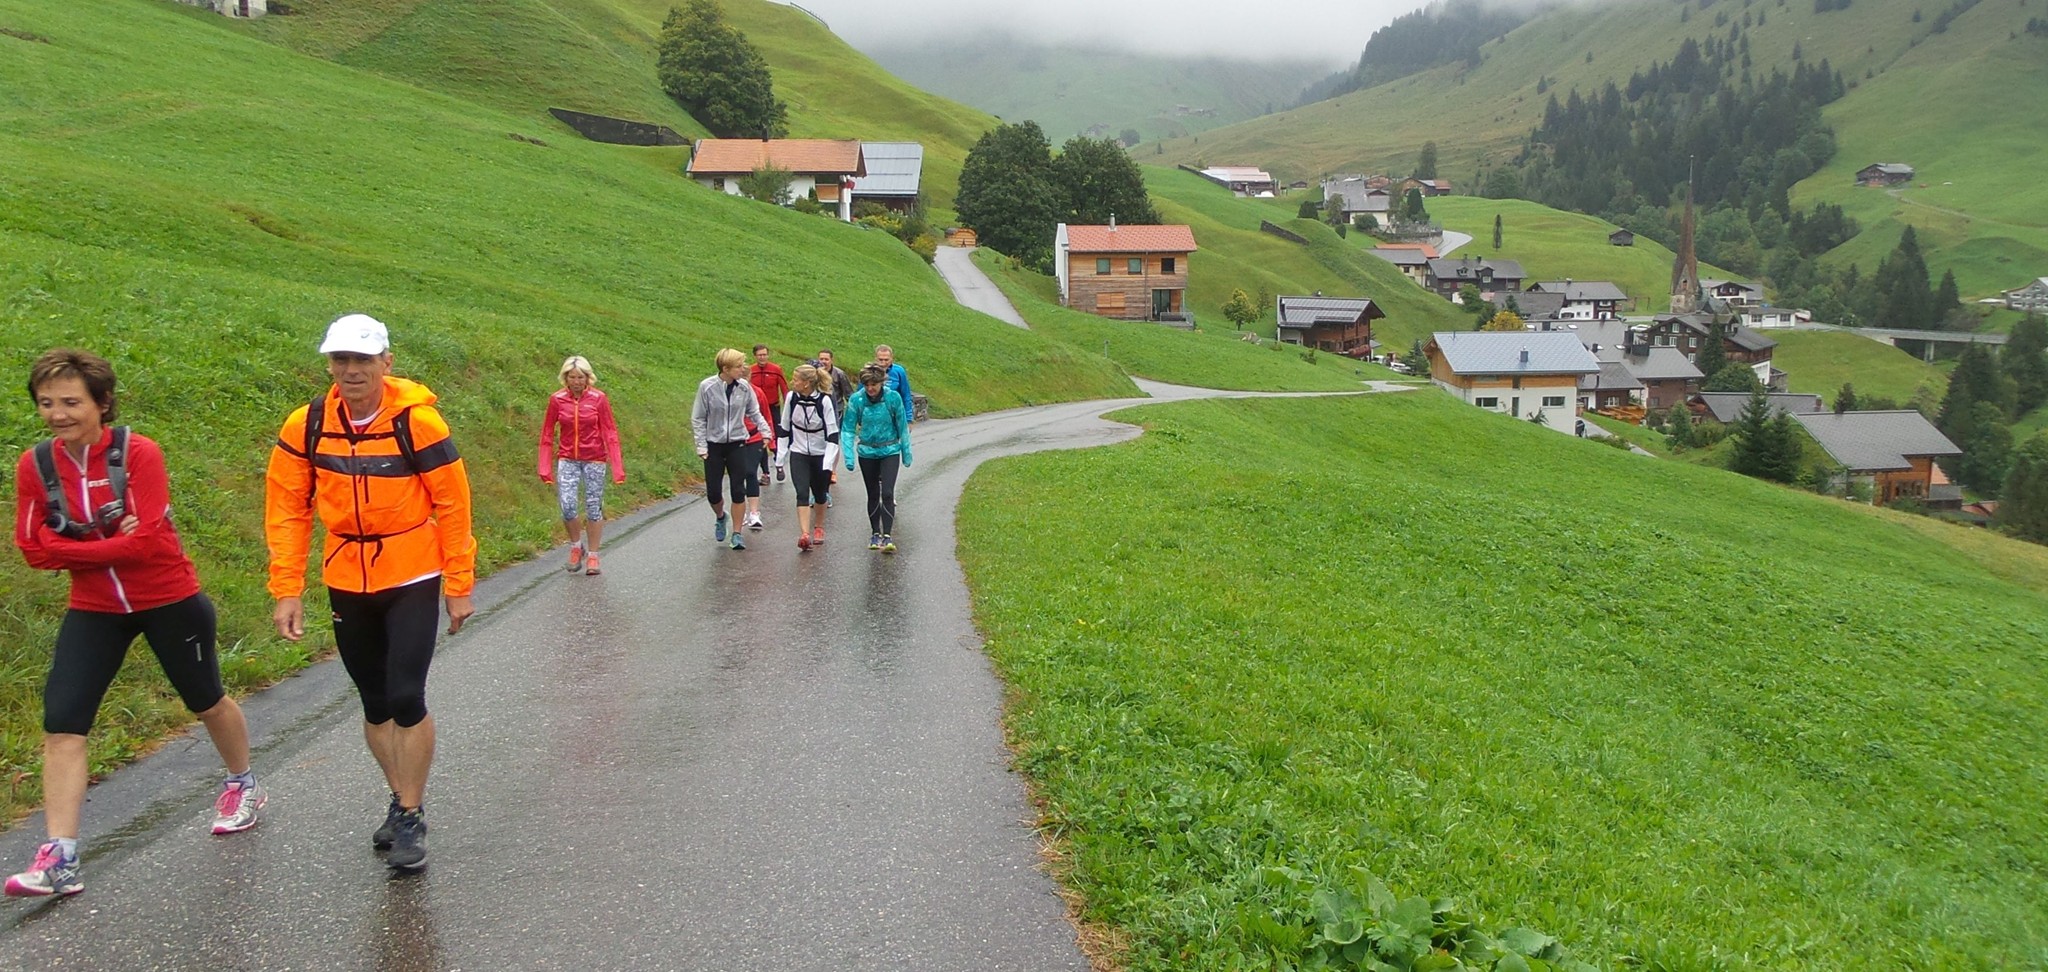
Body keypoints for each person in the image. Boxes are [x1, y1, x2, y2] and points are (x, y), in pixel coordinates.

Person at [7, 350, 263, 898]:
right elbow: (30, 548)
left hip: (168, 597)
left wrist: (72, 541)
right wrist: (106, 542)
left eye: (71, 402)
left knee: (207, 699)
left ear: (102, 403)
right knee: (63, 722)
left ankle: (243, 784)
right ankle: (60, 858)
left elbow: (146, 542)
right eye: (47, 403)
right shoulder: (36, 465)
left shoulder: (138, 453)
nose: (57, 414)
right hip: (95, 608)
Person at [264, 314, 475, 872]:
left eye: (362, 360)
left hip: (410, 571)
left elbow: (453, 503)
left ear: (387, 363)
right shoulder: (306, 424)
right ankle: (401, 794)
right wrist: (287, 587)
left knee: (406, 695)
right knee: (375, 701)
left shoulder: (419, 423)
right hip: (344, 574)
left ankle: (410, 812)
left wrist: (458, 584)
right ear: (329, 364)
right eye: (340, 360)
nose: (350, 370)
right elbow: (287, 507)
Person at [537, 356, 624, 576]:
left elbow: (610, 432)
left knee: (594, 508)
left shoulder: (598, 399)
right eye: (572, 377)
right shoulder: (557, 400)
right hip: (568, 458)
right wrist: (544, 467)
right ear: (565, 378)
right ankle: (576, 546)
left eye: (580, 377)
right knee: (567, 505)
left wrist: (617, 467)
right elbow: (547, 433)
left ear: (588, 378)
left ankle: (593, 556)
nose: (576, 382)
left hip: (594, 458)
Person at [690, 348, 765, 551]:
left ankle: (737, 533)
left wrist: (766, 432)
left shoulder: (744, 388)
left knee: (738, 489)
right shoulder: (707, 387)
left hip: (737, 443)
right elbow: (698, 418)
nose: (743, 370)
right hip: (714, 444)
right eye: (739, 366)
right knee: (714, 493)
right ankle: (721, 516)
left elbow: (754, 412)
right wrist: (701, 445)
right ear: (726, 368)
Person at [842, 362, 911, 553]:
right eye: (867, 385)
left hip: (889, 450)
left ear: (881, 383)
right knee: (873, 493)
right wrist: (848, 456)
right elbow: (847, 429)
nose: (871, 388)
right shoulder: (857, 400)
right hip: (867, 452)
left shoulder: (892, 398)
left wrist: (906, 452)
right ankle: (875, 533)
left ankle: (887, 535)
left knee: (887, 493)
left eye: (874, 384)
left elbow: (902, 426)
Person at [775, 365, 840, 551]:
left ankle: (818, 526)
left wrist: (828, 463)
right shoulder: (791, 398)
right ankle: (804, 534)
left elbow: (832, 434)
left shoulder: (824, 401)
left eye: (796, 379)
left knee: (820, 494)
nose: (792, 382)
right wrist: (780, 457)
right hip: (799, 452)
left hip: (821, 453)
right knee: (802, 493)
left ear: (806, 383)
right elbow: (784, 427)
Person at [749, 345, 788, 485]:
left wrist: (788, 409)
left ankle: (779, 465)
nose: (762, 357)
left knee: (776, 438)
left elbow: (784, 389)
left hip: (773, 408)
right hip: (756, 410)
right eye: (760, 355)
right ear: (755, 356)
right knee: (760, 440)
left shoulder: (776, 370)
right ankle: (765, 473)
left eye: (764, 354)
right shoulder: (751, 371)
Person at [874, 345, 914, 424]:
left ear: (891, 359)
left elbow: (906, 395)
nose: (883, 363)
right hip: (874, 416)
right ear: (875, 359)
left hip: (894, 416)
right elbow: (860, 395)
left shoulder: (899, 371)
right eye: (880, 360)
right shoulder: (869, 371)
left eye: (886, 360)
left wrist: (908, 419)